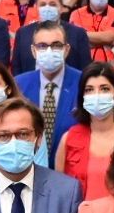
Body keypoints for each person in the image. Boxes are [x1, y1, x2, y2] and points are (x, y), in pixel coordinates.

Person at [56, 63, 114, 202]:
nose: (97, 95)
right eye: (89, 90)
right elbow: (59, 192)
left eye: (104, 89)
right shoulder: (69, 139)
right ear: (82, 96)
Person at [15, 20, 82, 160]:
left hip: (70, 168)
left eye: (56, 45)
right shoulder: (18, 85)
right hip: (29, 168)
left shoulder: (83, 83)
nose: (49, 51)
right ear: (34, 51)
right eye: (42, 46)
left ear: (66, 49)